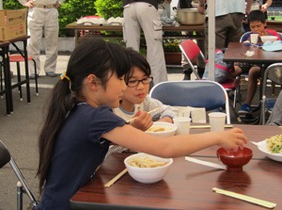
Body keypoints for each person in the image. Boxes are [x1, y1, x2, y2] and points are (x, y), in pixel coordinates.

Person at [36, 37, 247, 209]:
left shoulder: (78, 108)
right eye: (120, 78)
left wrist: (130, 130)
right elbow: (164, 147)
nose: (124, 85)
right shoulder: (95, 116)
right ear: (93, 82)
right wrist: (217, 136)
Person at [234, 10, 281, 114]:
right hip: (250, 60)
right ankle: (227, 95)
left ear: (265, 24)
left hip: (268, 63)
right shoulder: (248, 36)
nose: (256, 29)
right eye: (252, 27)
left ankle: (247, 104)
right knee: (235, 69)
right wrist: (248, 44)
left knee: (253, 72)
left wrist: (266, 40)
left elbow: (278, 48)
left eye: (258, 26)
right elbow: (241, 51)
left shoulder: (273, 35)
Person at [122, 0, 171, 84]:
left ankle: (131, 83)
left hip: (128, 6)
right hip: (147, 4)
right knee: (154, 49)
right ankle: (158, 86)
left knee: (130, 50)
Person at [17, 0, 65, 78]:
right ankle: (33, 70)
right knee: (33, 42)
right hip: (36, 9)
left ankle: (50, 69)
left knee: (52, 42)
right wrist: (24, 3)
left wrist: (60, 1)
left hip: (51, 9)